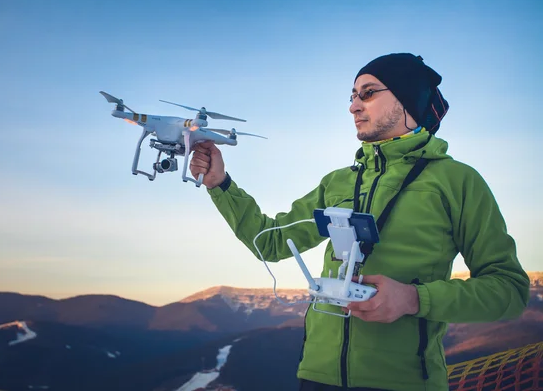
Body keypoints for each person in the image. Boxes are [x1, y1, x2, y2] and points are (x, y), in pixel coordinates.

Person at [189, 53, 530, 391]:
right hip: (317, 376)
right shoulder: (337, 182)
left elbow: (509, 290)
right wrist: (221, 185)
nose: (353, 106)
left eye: (368, 93)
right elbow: (271, 243)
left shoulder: (457, 181)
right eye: (352, 96)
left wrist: (413, 298)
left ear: (406, 100)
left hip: (403, 381)